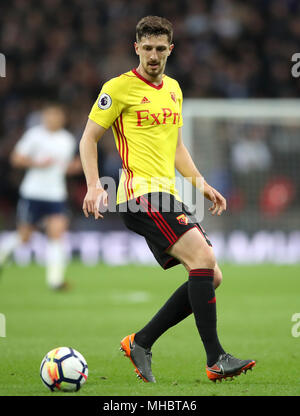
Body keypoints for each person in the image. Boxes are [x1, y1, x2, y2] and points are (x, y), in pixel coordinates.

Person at [79, 16, 256, 382]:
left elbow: (175, 146)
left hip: (168, 194)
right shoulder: (119, 87)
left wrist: (201, 183)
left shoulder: (174, 89)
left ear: (170, 49)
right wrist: (95, 185)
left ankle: (141, 341)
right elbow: (88, 139)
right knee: (204, 258)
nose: (154, 55)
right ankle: (216, 358)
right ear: (137, 48)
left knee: (211, 274)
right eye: (148, 48)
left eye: (161, 48)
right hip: (139, 194)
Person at [0, 104, 81, 290]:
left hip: (56, 194)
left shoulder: (67, 140)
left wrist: (74, 167)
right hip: (33, 192)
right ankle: (3, 252)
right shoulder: (34, 136)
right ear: (44, 117)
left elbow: (64, 166)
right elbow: (15, 158)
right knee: (25, 236)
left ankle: (55, 280)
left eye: (57, 116)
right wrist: (36, 163)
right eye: (50, 116)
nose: (53, 119)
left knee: (57, 233)